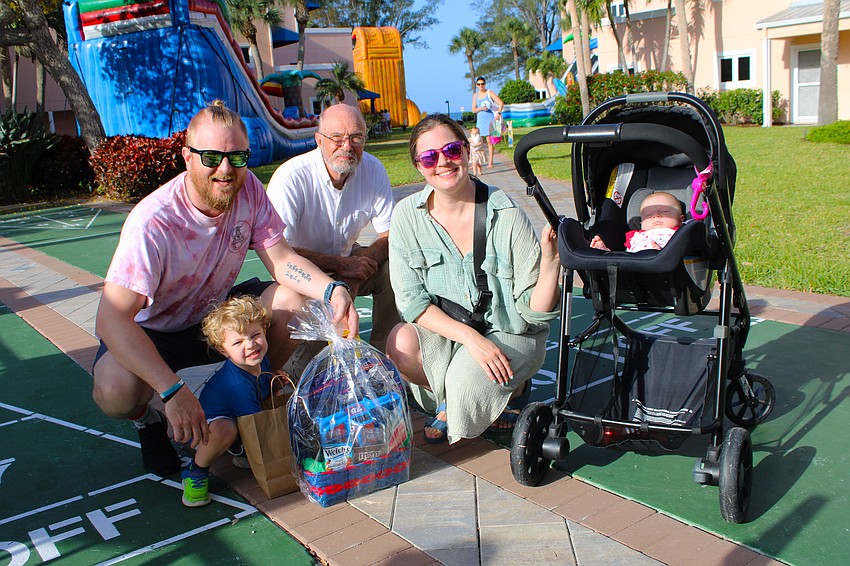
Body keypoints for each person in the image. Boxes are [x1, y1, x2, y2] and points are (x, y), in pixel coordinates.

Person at [93, 100, 358, 477]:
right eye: (211, 156)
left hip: (215, 315)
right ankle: (147, 422)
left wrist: (333, 291)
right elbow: (111, 318)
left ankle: (254, 400)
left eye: (237, 157)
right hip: (156, 331)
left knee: (293, 302)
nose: (225, 169)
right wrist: (172, 393)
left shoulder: (248, 187)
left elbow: (281, 260)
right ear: (187, 156)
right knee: (115, 392)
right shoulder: (152, 223)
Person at [385, 114, 561, 444]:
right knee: (401, 343)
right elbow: (411, 302)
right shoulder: (407, 216)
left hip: (510, 332)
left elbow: (533, 312)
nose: (443, 162)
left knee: (467, 386)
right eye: (429, 157)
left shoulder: (504, 212)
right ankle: (475, 394)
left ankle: (502, 387)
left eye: (451, 149)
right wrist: (471, 339)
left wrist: (551, 262)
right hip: (456, 330)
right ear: (419, 166)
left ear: (467, 151)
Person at [267, 104, 399, 370]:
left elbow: (390, 234)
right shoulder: (291, 178)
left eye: (356, 138)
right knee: (314, 369)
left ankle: (386, 359)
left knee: (396, 268)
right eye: (337, 138)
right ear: (319, 140)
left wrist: (354, 271)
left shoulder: (372, 169)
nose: (347, 146)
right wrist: (341, 267)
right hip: (302, 271)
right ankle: (316, 375)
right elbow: (280, 252)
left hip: (348, 260)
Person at [182, 295, 281, 507]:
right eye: (238, 342)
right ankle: (196, 472)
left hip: (240, 415)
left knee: (257, 415)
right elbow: (258, 424)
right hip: (210, 425)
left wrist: (276, 382)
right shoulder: (238, 384)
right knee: (225, 430)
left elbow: (262, 394)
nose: (251, 345)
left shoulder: (260, 361)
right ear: (223, 350)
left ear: (264, 329)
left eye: (256, 335)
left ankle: (240, 449)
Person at [590, 191, 685, 252]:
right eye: (648, 215)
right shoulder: (635, 236)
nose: (656, 216)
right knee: (621, 258)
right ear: (641, 223)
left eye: (665, 212)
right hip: (634, 263)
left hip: (664, 259)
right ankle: (606, 253)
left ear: (681, 219)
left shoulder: (680, 233)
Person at [471, 76, 504, 169]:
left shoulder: (489, 92)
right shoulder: (475, 95)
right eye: (478, 84)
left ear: (485, 84)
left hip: (490, 118)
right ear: (476, 85)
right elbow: (473, 109)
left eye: (482, 84)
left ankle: (490, 162)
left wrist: (499, 113)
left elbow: (500, 103)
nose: (480, 86)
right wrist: (481, 108)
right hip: (481, 119)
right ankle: (477, 161)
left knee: (489, 140)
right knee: (477, 140)